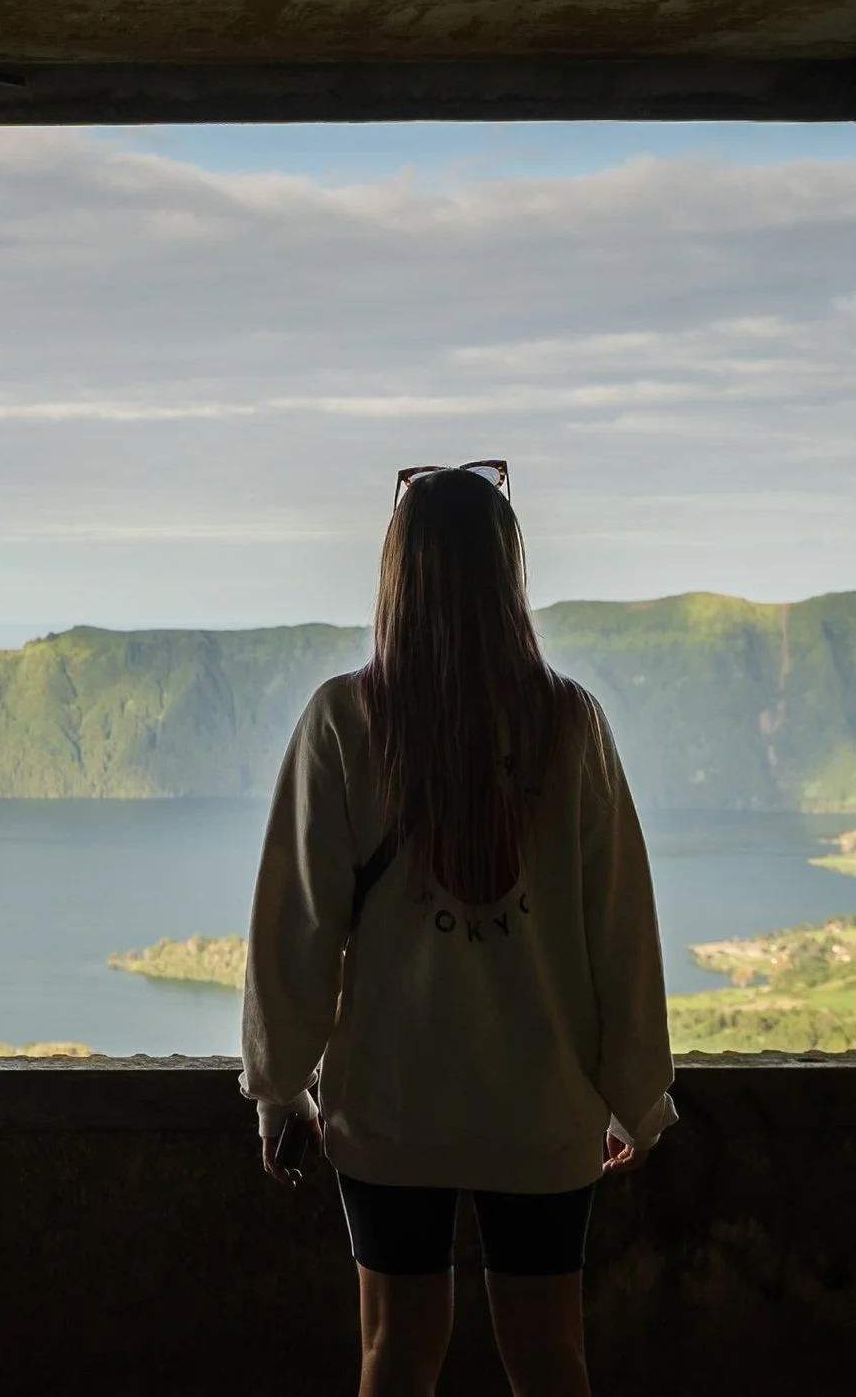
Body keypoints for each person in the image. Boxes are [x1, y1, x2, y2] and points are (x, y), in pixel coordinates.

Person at [239, 461, 676, 1397]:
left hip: (393, 1107)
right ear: (508, 573)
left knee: (395, 1352)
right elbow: (621, 925)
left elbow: (295, 928)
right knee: (550, 1357)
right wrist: (633, 1091)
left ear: (396, 573)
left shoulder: (343, 722)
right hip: (542, 1107)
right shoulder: (569, 724)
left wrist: (280, 1090)